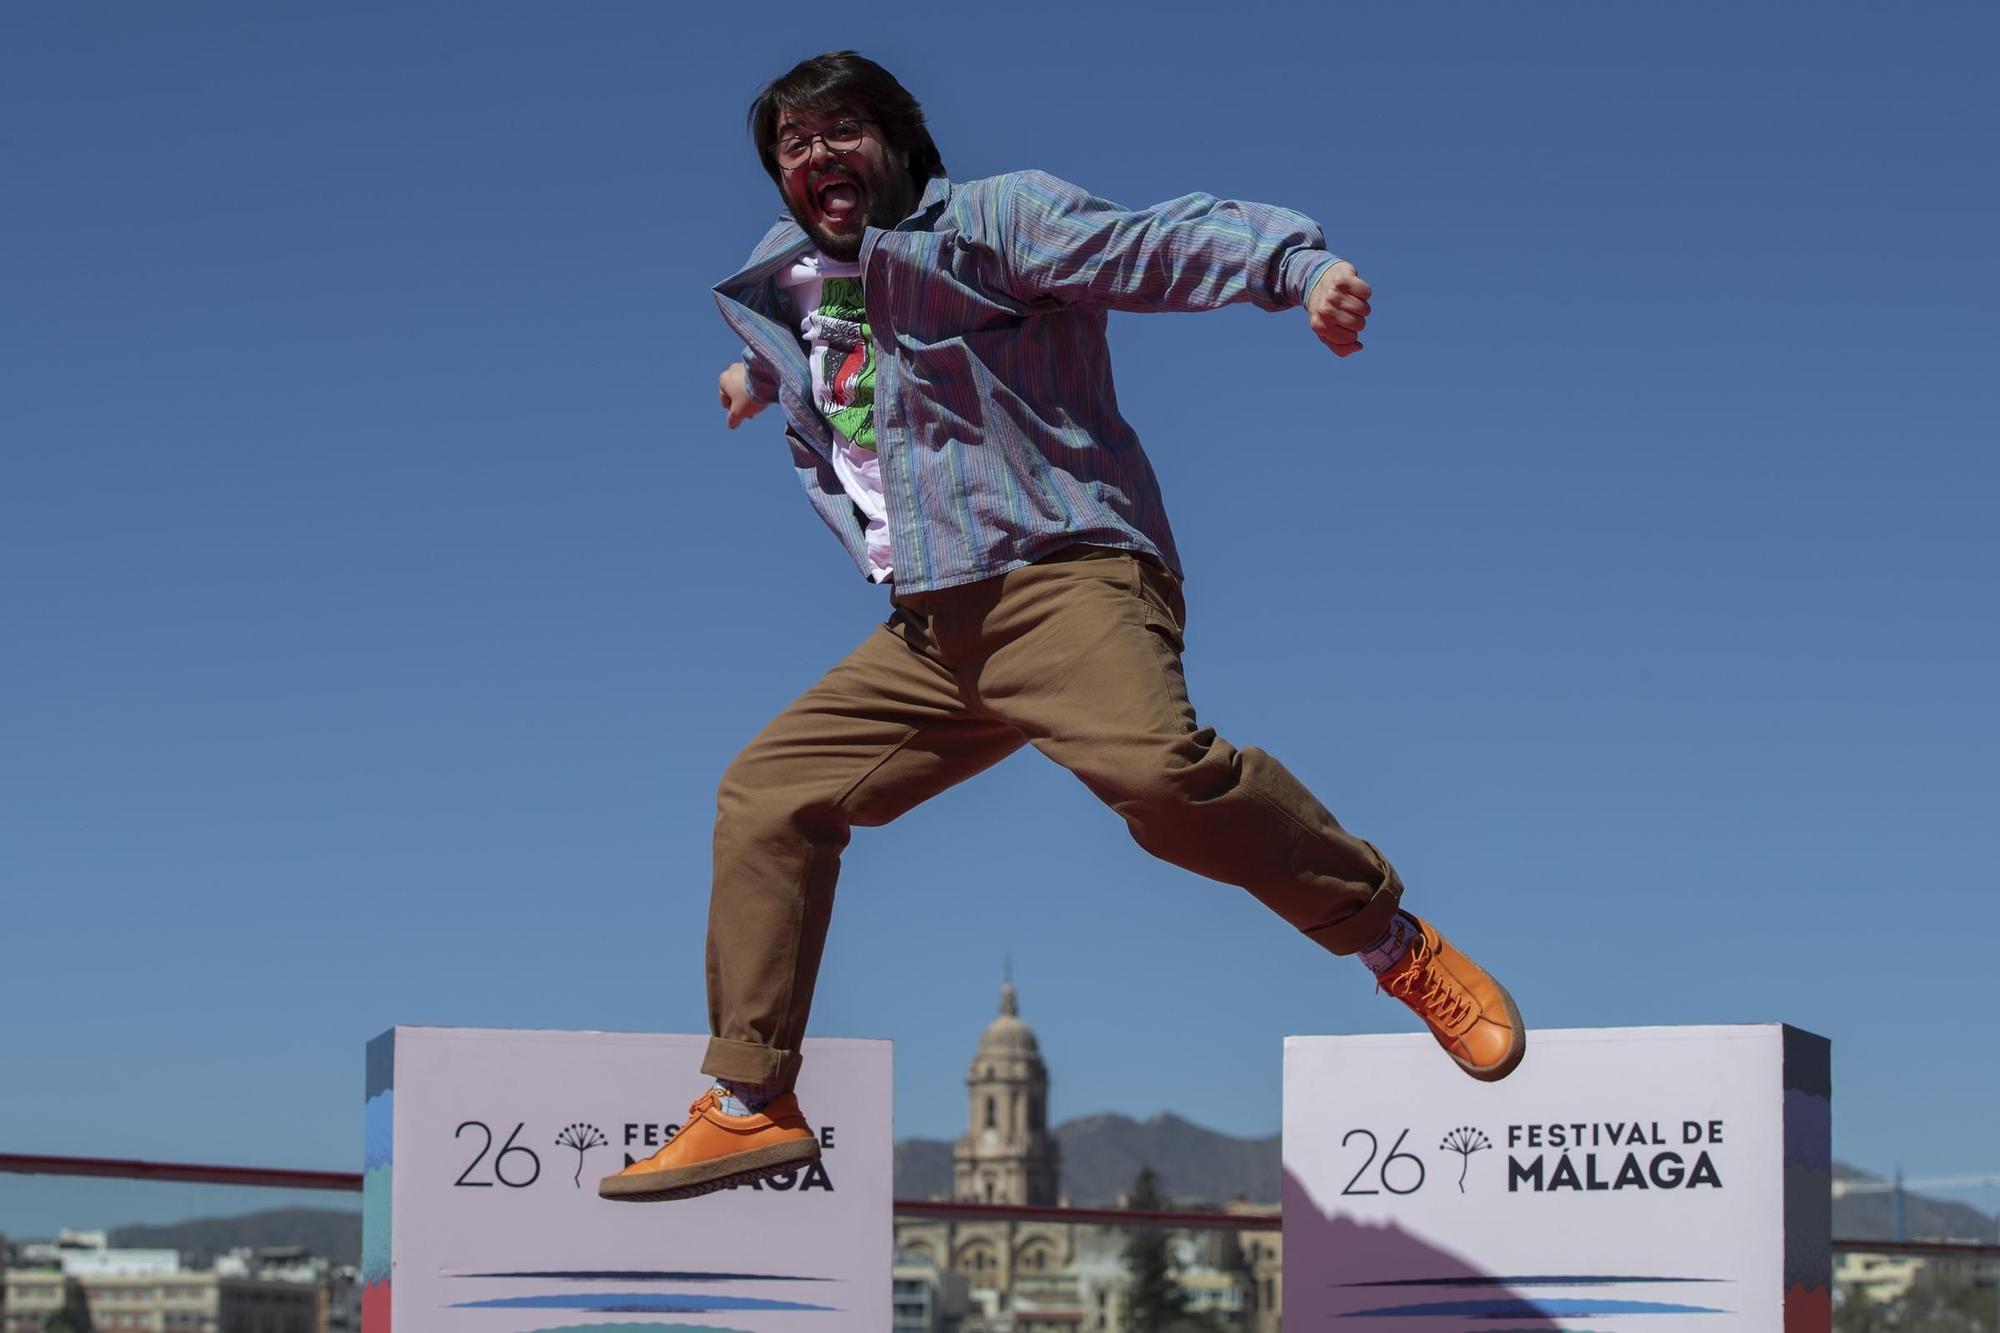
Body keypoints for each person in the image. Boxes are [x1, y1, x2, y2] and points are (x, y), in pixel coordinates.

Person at [599, 51, 1523, 1204]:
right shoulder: (785, 280)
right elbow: (824, 344)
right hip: (930, 630)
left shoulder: (990, 222)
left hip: (1058, 573)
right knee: (766, 795)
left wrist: (1294, 265)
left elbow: (1149, 241)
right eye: (791, 144)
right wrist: (758, 376)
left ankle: (1392, 940)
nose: (815, 155)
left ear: (897, 140)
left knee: (1159, 778)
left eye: (841, 130)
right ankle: (749, 1100)